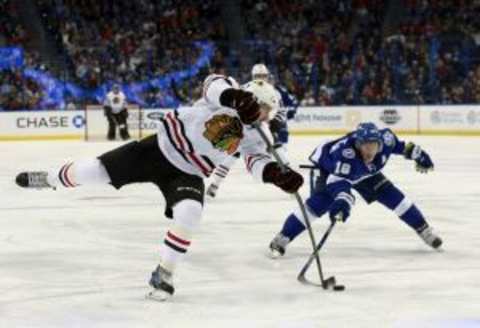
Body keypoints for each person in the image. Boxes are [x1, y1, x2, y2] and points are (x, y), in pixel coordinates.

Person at [15, 74, 304, 301]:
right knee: (95, 171)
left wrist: (276, 175)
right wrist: (235, 98)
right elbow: (212, 85)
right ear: (254, 98)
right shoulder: (228, 92)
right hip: (159, 149)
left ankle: (164, 273)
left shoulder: (256, 134)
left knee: (190, 213)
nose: (265, 117)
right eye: (265, 110)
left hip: (188, 173)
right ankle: (50, 179)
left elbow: (256, 162)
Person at [269, 122, 442, 258]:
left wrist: (419, 155)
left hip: (363, 173)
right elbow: (339, 185)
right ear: (358, 145)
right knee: (318, 206)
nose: (370, 151)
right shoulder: (345, 155)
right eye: (365, 146)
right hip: (328, 169)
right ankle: (284, 237)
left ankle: (424, 230)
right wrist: (343, 203)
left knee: (394, 197)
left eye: (373, 145)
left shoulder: (386, 139)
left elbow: (402, 146)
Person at [206, 64, 298, 198]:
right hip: (241, 127)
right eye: (257, 76)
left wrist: (276, 121)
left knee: (277, 149)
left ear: (267, 76)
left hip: (262, 128)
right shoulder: (244, 88)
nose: (261, 78)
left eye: (263, 76)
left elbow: (280, 110)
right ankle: (215, 183)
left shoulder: (273, 91)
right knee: (230, 155)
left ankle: (289, 177)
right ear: (252, 76)